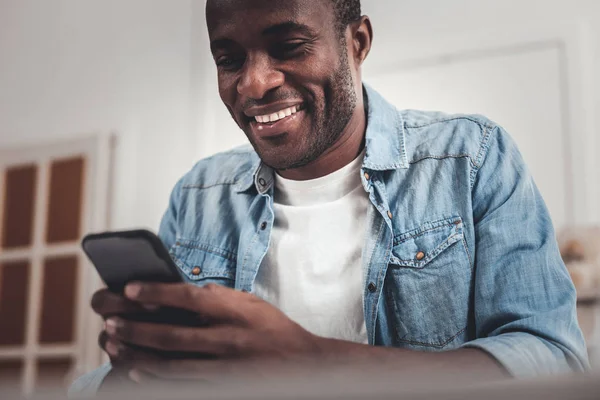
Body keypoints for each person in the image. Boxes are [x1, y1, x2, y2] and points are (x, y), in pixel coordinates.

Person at [71, 0, 589, 395]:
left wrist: (313, 360)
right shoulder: (199, 195)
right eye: (229, 59)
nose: (254, 84)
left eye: (289, 46)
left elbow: (551, 359)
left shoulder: (470, 159)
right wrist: (135, 373)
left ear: (357, 42)